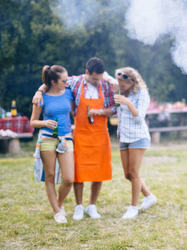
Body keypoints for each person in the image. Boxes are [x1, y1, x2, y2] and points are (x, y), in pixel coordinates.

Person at [33, 57, 116, 221]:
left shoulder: (106, 85)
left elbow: (114, 109)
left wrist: (99, 111)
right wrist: (39, 91)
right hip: (80, 134)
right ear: (86, 73)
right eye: (94, 78)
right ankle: (78, 206)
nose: (97, 81)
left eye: (100, 78)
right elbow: (49, 80)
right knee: (78, 172)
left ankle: (92, 205)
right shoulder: (73, 83)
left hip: (100, 134)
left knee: (98, 171)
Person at [108, 67, 157, 219]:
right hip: (124, 137)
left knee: (134, 173)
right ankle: (149, 197)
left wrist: (128, 103)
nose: (120, 86)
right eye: (119, 83)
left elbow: (139, 117)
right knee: (128, 174)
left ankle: (133, 208)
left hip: (138, 137)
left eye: (123, 84)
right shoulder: (122, 92)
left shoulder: (141, 93)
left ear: (132, 81)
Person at [30, 65, 75, 224]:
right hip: (48, 138)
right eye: (64, 80)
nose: (67, 81)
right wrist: (45, 122)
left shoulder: (69, 92)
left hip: (66, 138)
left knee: (69, 179)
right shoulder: (41, 98)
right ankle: (57, 212)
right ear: (54, 82)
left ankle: (59, 205)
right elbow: (33, 122)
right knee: (49, 176)